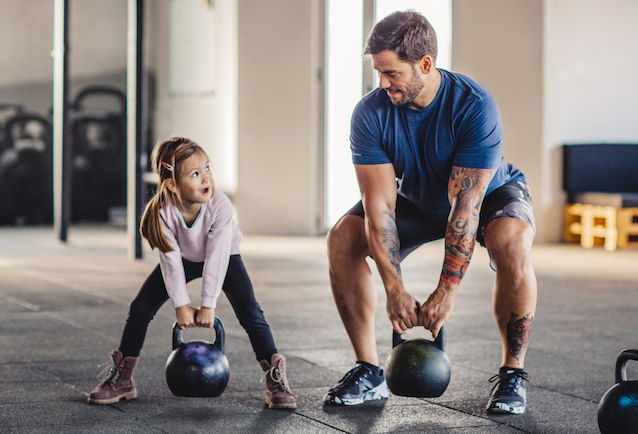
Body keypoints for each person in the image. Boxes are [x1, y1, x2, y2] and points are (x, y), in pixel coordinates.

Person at [324, 11, 537, 414]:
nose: (383, 83)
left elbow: (465, 207)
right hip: (417, 198)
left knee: (511, 240)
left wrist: (447, 290)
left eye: (391, 73)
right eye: (378, 73)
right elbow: (379, 207)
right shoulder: (370, 113)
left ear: (425, 64)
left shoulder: (474, 107)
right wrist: (394, 287)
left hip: (487, 195)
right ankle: (369, 371)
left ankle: (512, 374)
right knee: (342, 238)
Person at [87, 136, 296, 410]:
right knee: (140, 308)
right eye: (195, 174)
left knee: (251, 313)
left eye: (207, 168)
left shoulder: (220, 206)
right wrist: (181, 305)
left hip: (225, 256)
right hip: (184, 258)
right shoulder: (162, 212)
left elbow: (217, 258)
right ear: (171, 184)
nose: (206, 178)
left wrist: (207, 305)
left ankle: (275, 379)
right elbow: (170, 261)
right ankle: (123, 379)